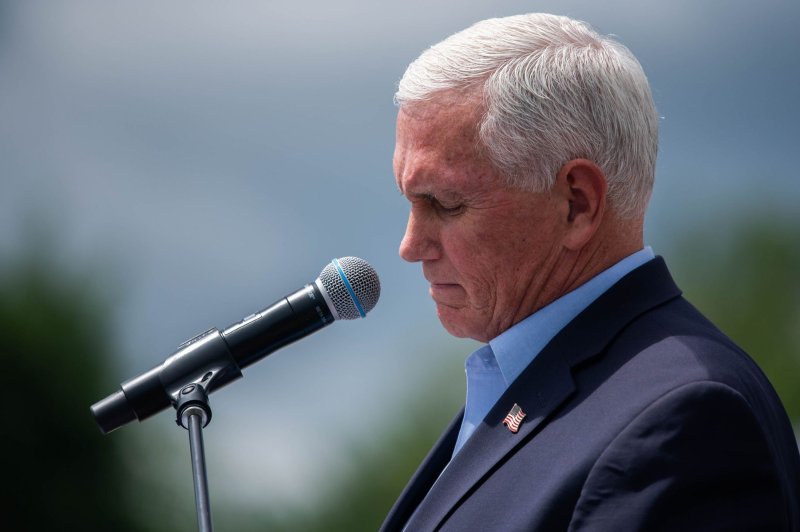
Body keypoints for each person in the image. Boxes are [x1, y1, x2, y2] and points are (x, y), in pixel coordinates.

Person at [381, 13, 800, 532]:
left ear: (577, 203)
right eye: (409, 203)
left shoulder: (685, 417)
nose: (409, 246)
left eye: (444, 203)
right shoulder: (550, 388)